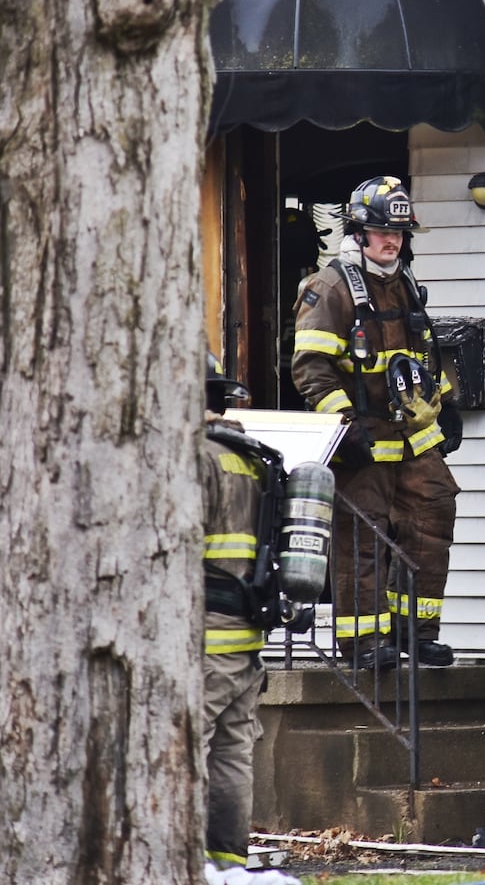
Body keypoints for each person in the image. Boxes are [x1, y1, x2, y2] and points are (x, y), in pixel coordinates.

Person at [291, 176, 461, 670]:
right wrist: (345, 425)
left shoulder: (402, 282)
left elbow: (425, 352)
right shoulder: (330, 288)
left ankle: (416, 631)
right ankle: (363, 642)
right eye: (384, 231)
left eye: (400, 233)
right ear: (359, 232)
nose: (394, 241)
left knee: (434, 514)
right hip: (362, 440)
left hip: (412, 436)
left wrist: (445, 402)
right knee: (363, 537)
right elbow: (311, 368)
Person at [198, 358, 268, 874]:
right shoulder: (253, 457)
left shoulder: (196, 458)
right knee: (231, 752)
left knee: (184, 746)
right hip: (246, 637)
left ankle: (185, 859)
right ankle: (227, 863)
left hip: (201, 634)